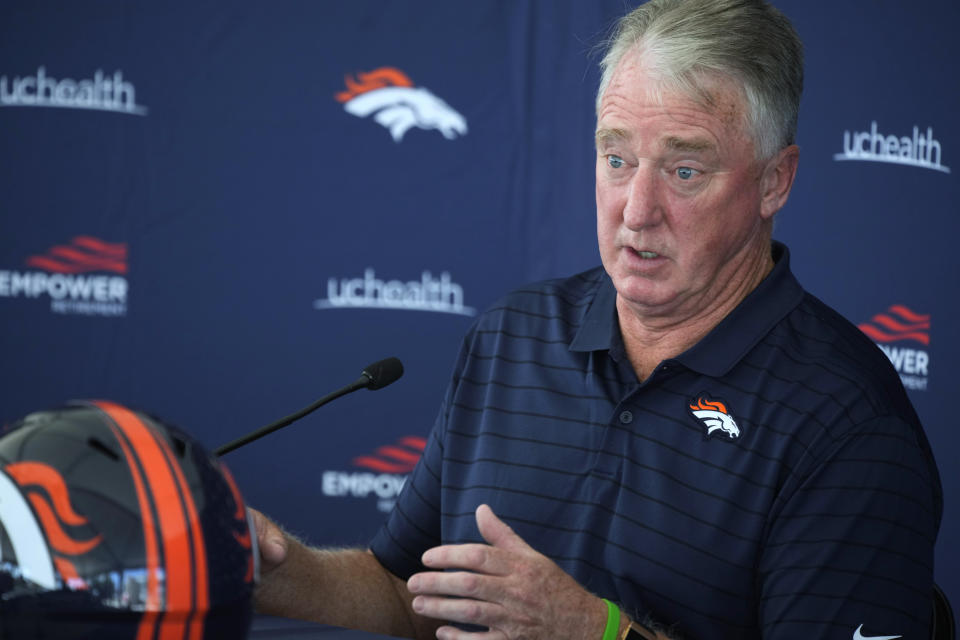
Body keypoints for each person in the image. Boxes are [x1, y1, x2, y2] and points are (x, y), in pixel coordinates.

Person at [252, 0, 943, 638]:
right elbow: (410, 592)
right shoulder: (512, 336)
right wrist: (276, 571)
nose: (636, 211)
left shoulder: (849, 423)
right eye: (616, 158)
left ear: (774, 182)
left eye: (685, 171)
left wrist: (596, 631)